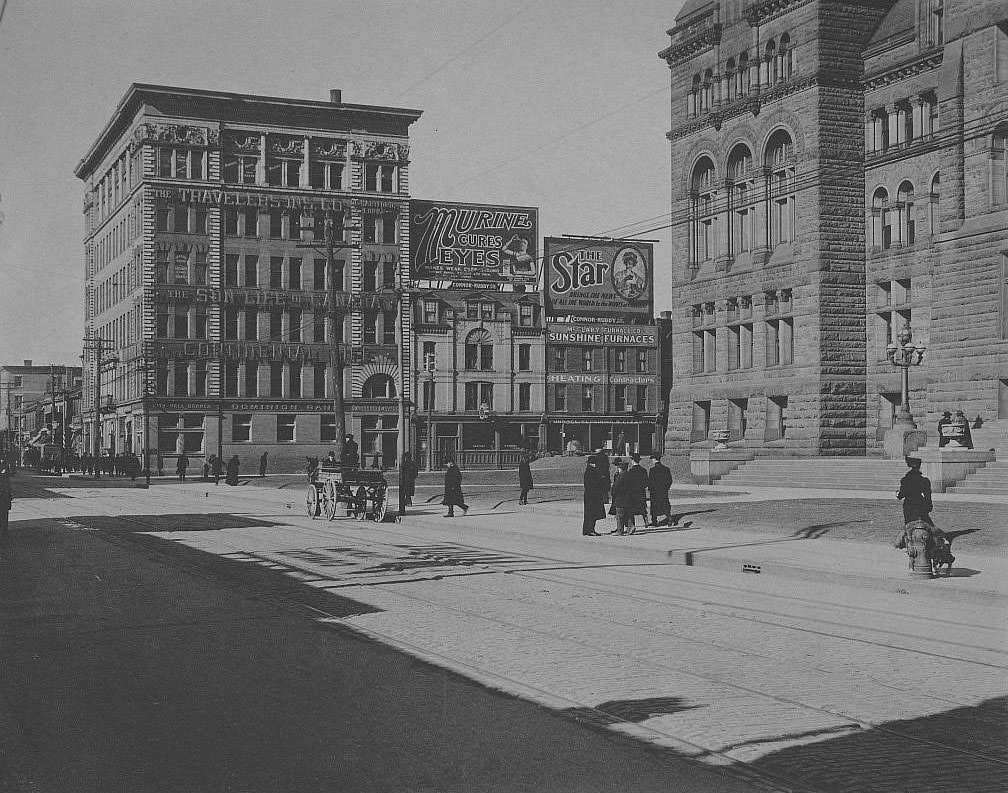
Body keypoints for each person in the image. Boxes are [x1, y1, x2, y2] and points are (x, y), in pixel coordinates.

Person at [897, 456, 933, 525]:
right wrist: (928, 505)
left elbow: (901, 495)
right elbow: (928, 495)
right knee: (928, 525)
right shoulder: (924, 480)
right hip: (920, 503)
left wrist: (897, 494)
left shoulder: (905, 480)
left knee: (909, 525)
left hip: (909, 505)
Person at [582, 457, 606, 536]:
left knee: (588, 513)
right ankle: (590, 530)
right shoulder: (593, 471)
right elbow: (595, 483)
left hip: (588, 495)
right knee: (593, 513)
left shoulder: (588, 471)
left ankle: (586, 529)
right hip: (594, 495)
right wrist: (602, 480)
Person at [625, 454, 649, 531]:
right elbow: (646, 482)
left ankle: (632, 524)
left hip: (633, 493)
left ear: (632, 461)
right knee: (642, 508)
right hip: (641, 492)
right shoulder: (643, 470)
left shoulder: (631, 471)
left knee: (631, 509)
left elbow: (629, 483)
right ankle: (646, 521)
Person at [648, 453, 673, 527]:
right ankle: (669, 518)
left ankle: (654, 521)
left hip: (655, 491)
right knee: (665, 504)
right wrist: (666, 488)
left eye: (652, 459)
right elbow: (669, 480)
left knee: (654, 506)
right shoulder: (666, 469)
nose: (652, 460)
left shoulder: (652, 470)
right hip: (663, 491)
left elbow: (650, 481)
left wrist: (650, 489)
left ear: (655, 459)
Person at [610, 460, 633, 535]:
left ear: (620, 468)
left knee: (619, 515)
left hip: (620, 498)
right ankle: (631, 526)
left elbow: (615, 487)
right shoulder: (629, 475)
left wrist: (612, 493)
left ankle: (620, 531)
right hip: (629, 497)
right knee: (628, 513)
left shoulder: (620, 476)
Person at [0, 462, 12, 543]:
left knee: (3, 516)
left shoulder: (4, 464)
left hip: (3, 498)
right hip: (3, 498)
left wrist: (9, 498)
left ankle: (3, 535)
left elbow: (8, 486)